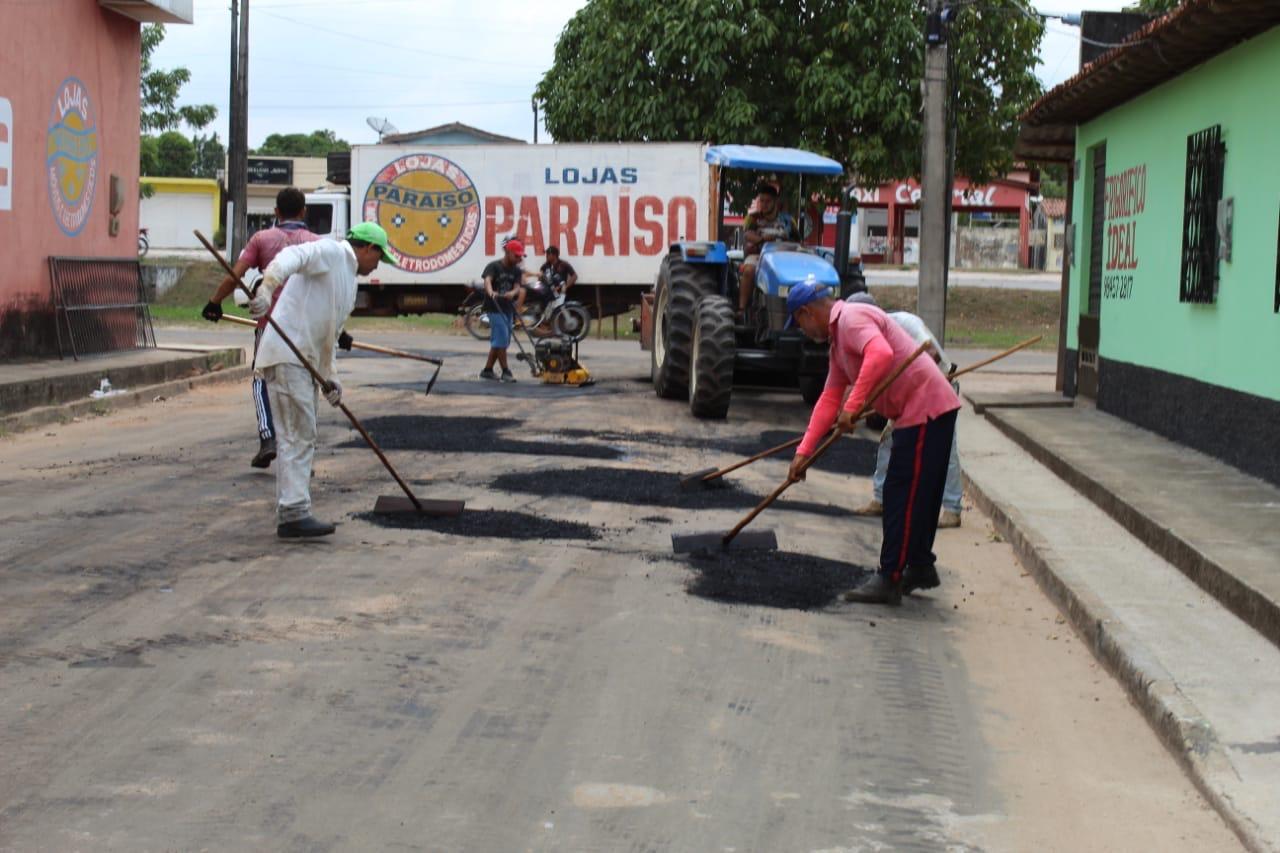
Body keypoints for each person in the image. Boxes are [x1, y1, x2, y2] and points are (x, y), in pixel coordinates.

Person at [786, 280, 962, 605]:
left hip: (926, 407)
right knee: (915, 494)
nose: (803, 330)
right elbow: (828, 398)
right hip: (919, 411)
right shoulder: (838, 345)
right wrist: (803, 453)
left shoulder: (851, 318)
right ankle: (920, 566)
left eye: (799, 323)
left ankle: (890, 577)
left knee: (901, 493)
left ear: (806, 312)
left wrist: (852, 408)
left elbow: (880, 354)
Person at [250, 221, 394, 539]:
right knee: (296, 436)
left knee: (300, 435)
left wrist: (332, 379)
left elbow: (330, 334)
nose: (378, 266)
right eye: (379, 258)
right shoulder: (332, 252)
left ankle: (294, 511)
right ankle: (293, 513)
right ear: (368, 248)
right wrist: (267, 287)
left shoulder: (349, 284)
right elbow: (292, 257)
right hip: (288, 356)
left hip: (306, 362)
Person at [202, 187, 319, 469]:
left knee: (261, 379)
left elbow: (235, 275)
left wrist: (214, 302)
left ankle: (268, 438)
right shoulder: (315, 243)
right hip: (307, 328)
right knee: (306, 384)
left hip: (270, 325)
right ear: (303, 212)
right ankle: (304, 456)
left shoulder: (262, 239)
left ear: (276, 212)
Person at [846, 294, 964, 529]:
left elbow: (929, 353)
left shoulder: (904, 322)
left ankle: (952, 508)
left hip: (939, 384)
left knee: (946, 449)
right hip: (910, 393)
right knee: (888, 440)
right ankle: (880, 499)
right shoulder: (869, 335)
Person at [738, 182, 799, 316]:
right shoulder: (752, 218)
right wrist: (762, 239)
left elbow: (797, 240)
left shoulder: (788, 220)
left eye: (768, 201)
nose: (764, 204)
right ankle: (742, 309)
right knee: (749, 270)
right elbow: (748, 234)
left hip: (784, 258)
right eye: (762, 201)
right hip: (759, 256)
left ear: (776, 202)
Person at [479, 239, 529, 383]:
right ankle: (506, 371)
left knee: (502, 341)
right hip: (494, 307)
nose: (519, 259)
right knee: (501, 338)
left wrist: (513, 293)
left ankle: (487, 370)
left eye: (520, 256)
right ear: (507, 252)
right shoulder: (493, 266)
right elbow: (487, 280)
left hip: (507, 307)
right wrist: (491, 292)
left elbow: (517, 286)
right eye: (517, 256)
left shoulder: (517, 270)